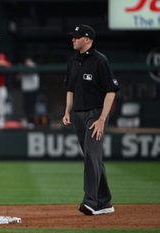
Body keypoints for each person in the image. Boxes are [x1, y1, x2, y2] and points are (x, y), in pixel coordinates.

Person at [62, 24, 119, 216]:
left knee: (92, 156)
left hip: (95, 114)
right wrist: (67, 112)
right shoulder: (73, 61)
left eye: (77, 37)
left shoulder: (100, 60)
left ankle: (90, 201)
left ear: (87, 39)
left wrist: (102, 118)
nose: (73, 39)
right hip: (78, 114)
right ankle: (105, 202)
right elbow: (70, 89)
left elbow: (111, 91)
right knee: (91, 157)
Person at [18, 58, 40, 127]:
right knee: (26, 107)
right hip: (25, 91)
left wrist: (31, 65)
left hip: (33, 90)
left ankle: (31, 122)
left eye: (29, 62)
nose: (28, 63)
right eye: (26, 62)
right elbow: (18, 77)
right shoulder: (23, 69)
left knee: (32, 107)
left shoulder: (34, 68)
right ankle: (26, 121)